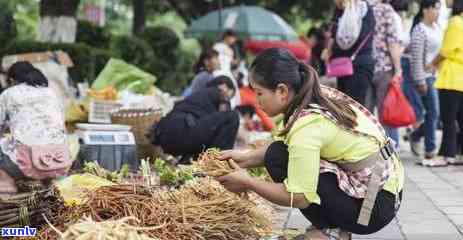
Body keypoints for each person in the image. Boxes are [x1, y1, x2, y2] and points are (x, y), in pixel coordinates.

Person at [217, 48, 404, 240]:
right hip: (386, 189)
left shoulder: (306, 125)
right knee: (277, 153)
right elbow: (281, 147)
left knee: (280, 160)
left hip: (371, 211)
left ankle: (330, 232)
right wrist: (246, 158)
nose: (257, 102)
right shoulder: (313, 94)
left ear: (282, 91)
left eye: (259, 93)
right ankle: (331, 227)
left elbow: (299, 196)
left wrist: (248, 182)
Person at [0, 62, 71, 194]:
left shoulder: (8, 94)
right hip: (61, 161)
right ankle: (49, 183)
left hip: (26, 164)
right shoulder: (51, 93)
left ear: (11, 79)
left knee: (5, 146)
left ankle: (7, 185)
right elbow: (60, 124)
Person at [151, 75, 239, 164]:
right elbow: (225, 115)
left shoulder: (198, 94)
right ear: (223, 86)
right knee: (232, 116)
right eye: (229, 95)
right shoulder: (219, 93)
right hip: (183, 132)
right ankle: (217, 164)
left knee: (209, 128)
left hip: (165, 137)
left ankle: (189, 162)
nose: (228, 98)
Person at [409, 0, 445, 166]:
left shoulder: (437, 28)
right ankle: (430, 150)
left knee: (433, 114)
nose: (437, 12)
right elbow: (416, 58)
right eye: (435, 9)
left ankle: (416, 135)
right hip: (425, 77)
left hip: (437, 76)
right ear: (425, 10)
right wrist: (420, 80)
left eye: (438, 9)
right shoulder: (419, 30)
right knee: (434, 112)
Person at [365, 0, 403, 147]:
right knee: (386, 112)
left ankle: (366, 149)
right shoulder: (386, 10)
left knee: (365, 113)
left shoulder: (363, 8)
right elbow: (392, 42)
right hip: (384, 68)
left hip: (365, 67)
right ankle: (390, 151)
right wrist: (398, 68)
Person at [429, 0, 463, 165]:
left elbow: (446, 50)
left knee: (448, 119)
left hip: (451, 78)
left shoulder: (455, 22)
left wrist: (431, 64)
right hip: (461, 77)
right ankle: (458, 153)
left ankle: (446, 154)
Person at [324, 0, 376, 106]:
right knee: (343, 105)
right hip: (343, 66)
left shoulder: (362, 9)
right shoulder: (340, 11)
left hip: (359, 65)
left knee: (355, 106)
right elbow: (333, 35)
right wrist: (328, 51)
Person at [214, 29, 241, 107]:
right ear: (227, 37)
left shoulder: (230, 49)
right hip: (219, 71)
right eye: (233, 38)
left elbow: (231, 62)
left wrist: (236, 62)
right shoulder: (218, 46)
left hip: (227, 72)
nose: (234, 40)